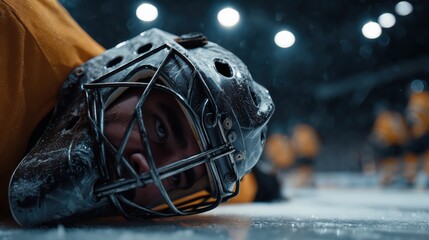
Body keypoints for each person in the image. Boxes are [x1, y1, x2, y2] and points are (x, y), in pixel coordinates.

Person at [1, 0, 275, 226]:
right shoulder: (11, 34)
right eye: (160, 129)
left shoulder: (151, 188)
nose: (148, 173)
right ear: (123, 73)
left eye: (179, 177)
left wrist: (263, 184)